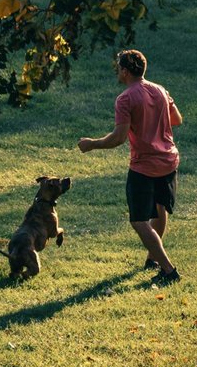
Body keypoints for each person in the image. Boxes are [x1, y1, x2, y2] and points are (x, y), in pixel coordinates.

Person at [78, 49, 183, 284]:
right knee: (159, 209)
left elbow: (118, 137)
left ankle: (168, 270)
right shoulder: (160, 90)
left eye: (118, 68)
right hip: (168, 160)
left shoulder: (125, 99)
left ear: (125, 71)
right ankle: (152, 259)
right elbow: (176, 119)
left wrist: (91, 144)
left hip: (145, 165)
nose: (117, 71)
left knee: (138, 221)